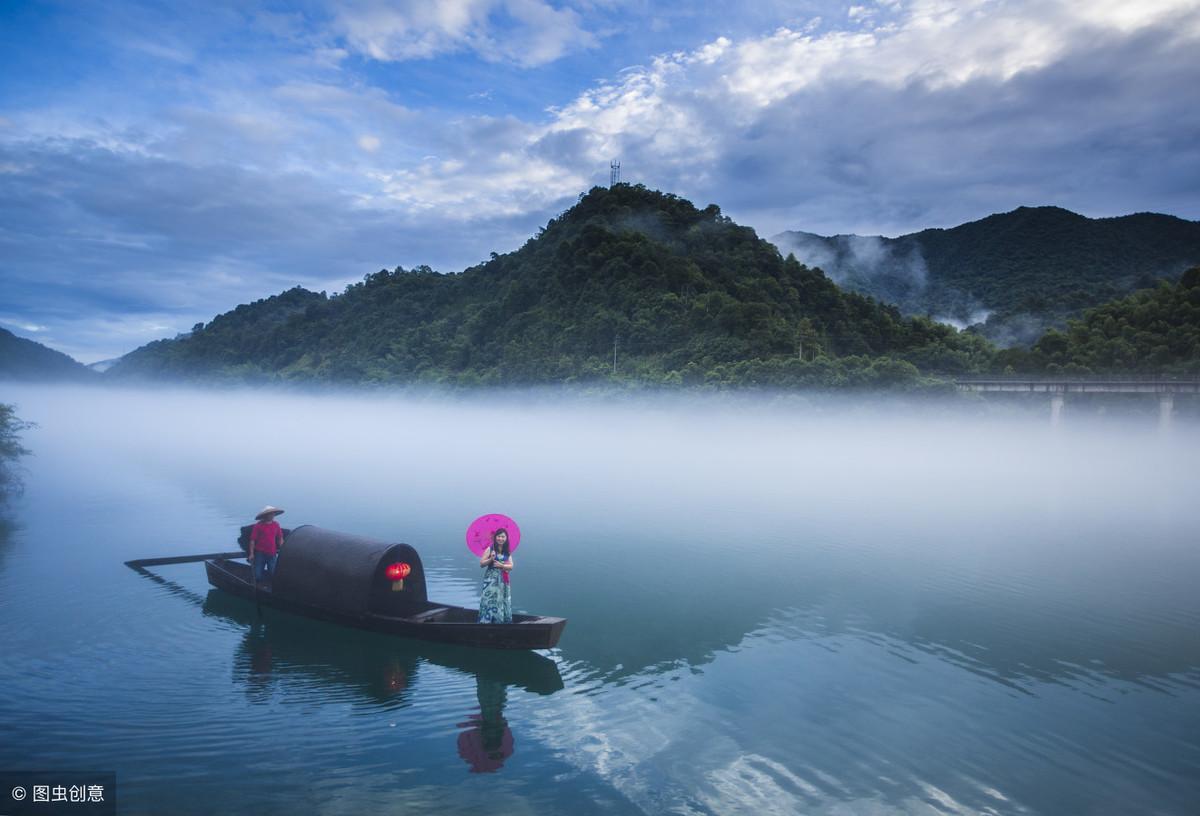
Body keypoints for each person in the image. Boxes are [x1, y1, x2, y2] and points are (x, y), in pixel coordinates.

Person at [477, 528, 513, 624]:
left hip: (503, 580)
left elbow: (511, 566)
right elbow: (481, 564)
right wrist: (491, 559)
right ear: (495, 537)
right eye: (499, 536)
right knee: (490, 599)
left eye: (503, 537)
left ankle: (502, 621)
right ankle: (487, 621)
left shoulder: (507, 552)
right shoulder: (490, 549)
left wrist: (502, 566)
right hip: (491, 580)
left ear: (506, 538)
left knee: (502, 599)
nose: (501, 538)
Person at [248, 505, 284, 586]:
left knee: (273, 573)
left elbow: (280, 538)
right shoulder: (258, 525)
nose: (272, 515)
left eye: (273, 514)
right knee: (257, 575)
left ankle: (270, 587)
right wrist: (251, 554)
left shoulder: (276, 525)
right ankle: (259, 585)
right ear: (265, 515)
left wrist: (283, 549)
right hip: (260, 554)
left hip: (272, 553)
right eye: (270, 514)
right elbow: (252, 540)